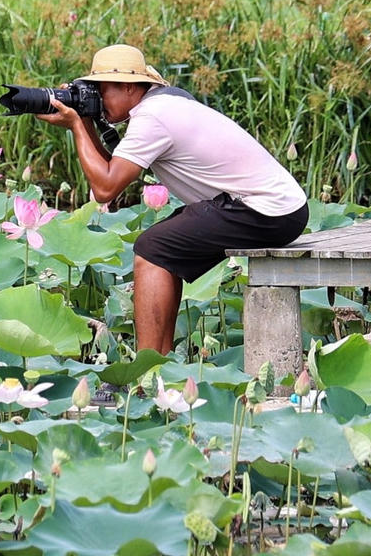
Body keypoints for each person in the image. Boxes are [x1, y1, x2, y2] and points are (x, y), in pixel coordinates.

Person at [36, 44, 308, 384]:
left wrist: (77, 126)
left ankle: (148, 373)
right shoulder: (163, 105)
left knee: (152, 248)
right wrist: (85, 122)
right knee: (162, 244)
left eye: (102, 90)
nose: (99, 99)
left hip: (264, 210)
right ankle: (158, 365)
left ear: (131, 87)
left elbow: (106, 188)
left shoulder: (151, 118)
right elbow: (111, 168)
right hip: (278, 208)